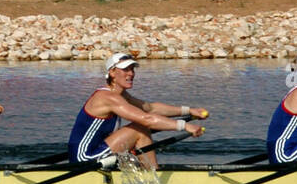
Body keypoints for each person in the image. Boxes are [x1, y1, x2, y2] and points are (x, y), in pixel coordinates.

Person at [67, 53, 207, 168]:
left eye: (132, 69)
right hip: (85, 158)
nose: (131, 73)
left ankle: (151, 172)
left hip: (98, 151)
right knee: (139, 128)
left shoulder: (120, 95)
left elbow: (151, 108)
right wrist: (185, 126)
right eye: (125, 69)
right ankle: (153, 176)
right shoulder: (107, 97)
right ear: (112, 72)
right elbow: (147, 119)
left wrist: (189, 110)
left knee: (141, 128)